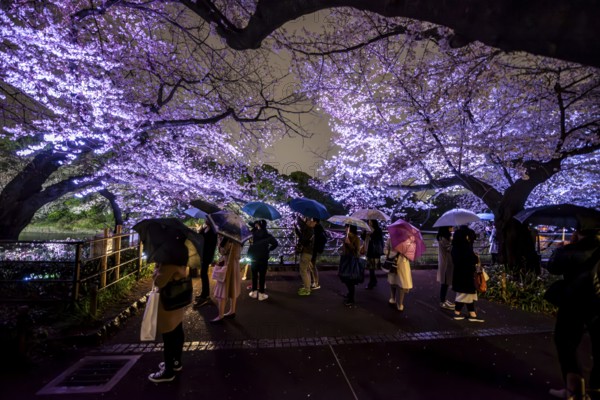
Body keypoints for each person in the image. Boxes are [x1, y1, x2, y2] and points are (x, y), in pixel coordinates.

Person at [546, 228, 600, 400]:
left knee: (566, 342)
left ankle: (575, 390)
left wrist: (561, 249)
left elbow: (552, 267)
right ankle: (596, 387)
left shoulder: (571, 250)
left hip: (574, 301)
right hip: (598, 302)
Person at [148, 237, 189, 383]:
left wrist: (157, 269)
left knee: (168, 336)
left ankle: (168, 371)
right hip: (178, 301)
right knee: (177, 331)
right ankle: (176, 362)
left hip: (168, 303)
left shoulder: (168, 263)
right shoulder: (181, 256)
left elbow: (159, 281)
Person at [451, 225, 484, 322]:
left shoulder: (456, 247)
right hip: (466, 273)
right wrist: (475, 257)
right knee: (465, 293)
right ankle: (457, 312)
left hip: (459, 273)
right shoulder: (465, 247)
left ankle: (472, 314)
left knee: (467, 293)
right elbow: (471, 259)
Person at [211, 235, 242, 322]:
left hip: (227, 264)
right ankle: (232, 311)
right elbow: (239, 253)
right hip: (235, 264)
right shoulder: (238, 236)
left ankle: (220, 316)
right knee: (233, 288)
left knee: (222, 290)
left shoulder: (226, 236)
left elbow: (223, 251)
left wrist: (221, 242)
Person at [247, 219, 279, 301]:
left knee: (254, 275)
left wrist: (255, 225)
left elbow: (250, 225)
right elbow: (275, 244)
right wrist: (269, 249)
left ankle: (254, 292)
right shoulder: (268, 235)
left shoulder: (254, 234)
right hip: (263, 258)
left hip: (254, 257)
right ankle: (261, 294)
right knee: (262, 276)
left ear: (258, 225)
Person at [383, 236, 413, 311]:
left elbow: (411, 254)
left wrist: (405, 252)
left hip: (403, 264)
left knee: (402, 284)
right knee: (393, 281)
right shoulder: (390, 238)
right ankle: (393, 298)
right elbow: (385, 249)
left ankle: (400, 303)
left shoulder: (408, 240)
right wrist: (390, 253)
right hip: (393, 262)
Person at [195, 220, 218, 307]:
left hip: (207, 255)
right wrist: (200, 230)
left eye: (207, 219)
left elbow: (211, 245)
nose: (205, 220)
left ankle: (206, 295)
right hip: (202, 254)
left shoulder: (213, 231)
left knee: (203, 274)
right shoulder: (205, 228)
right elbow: (199, 237)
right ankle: (204, 294)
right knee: (203, 274)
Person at [340, 224, 361, 306]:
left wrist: (349, 243)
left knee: (350, 280)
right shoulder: (346, 236)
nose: (345, 228)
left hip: (351, 261)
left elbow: (356, 252)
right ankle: (349, 294)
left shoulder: (356, 238)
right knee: (345, 278)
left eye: (347, 227)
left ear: (350, 228)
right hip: (345, 259)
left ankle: (351, 299)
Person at [294, 215, 316, 296]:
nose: (307, 222)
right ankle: (308, 287)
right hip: (308, 253)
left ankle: (307, 289)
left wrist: (297, 217)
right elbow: (302, 237)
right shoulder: (309, 231)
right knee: (306, 270)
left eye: (309, 221)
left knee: (303, 270)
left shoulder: (309, 230)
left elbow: (303, 235)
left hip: (306, 253)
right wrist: (296, 229)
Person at [362, 219, 384, 290]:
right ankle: (373, 281)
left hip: (375, 251)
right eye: (368, 222)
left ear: (374, 222)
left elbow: (379, 239)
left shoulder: (378, 230)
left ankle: (372, 282)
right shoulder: (367, 229)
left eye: (371, 222)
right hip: (369, 250)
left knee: (372, 267)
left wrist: (371, 234)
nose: (369, 223)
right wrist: (364, 233)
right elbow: (363, 238)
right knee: (371, 267)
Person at [436, 226, 455, 310]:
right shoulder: (443, 238)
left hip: (445, 261)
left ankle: (444, 300)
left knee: (446, 282)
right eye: (450, 226)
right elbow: (450, 249)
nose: (452, 227)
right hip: (446, 262)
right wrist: (454, 242)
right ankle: (442, 301)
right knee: (445, 282)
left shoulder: (443, 237)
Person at [310, 219, 327, 290]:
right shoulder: (319, 228)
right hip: (314, 249)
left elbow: (319, 239)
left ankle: (315, 282)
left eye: (311, 220)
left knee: (312, 265)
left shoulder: (317, 229)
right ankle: (313, 281)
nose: (310, 221)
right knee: (311, 265)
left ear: (315, 221)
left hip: (314, 249)